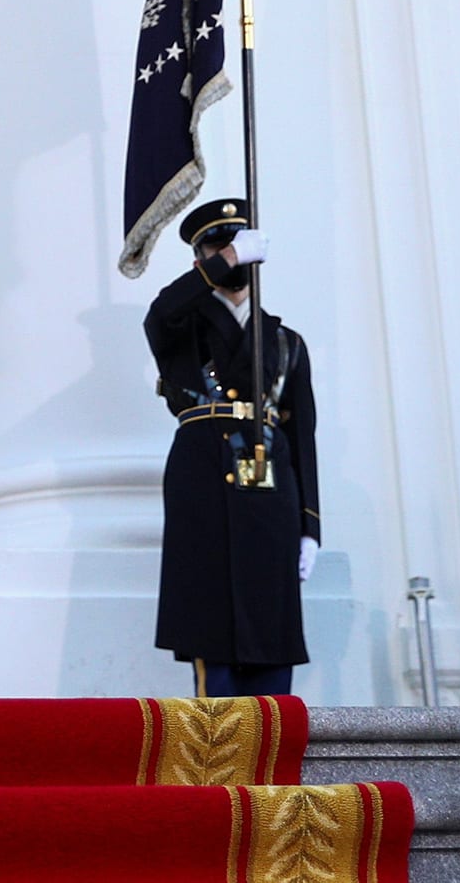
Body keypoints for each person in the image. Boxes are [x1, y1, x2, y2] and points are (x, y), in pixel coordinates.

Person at [143, 198, 319, 698]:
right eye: (219, 249)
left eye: (239, 246)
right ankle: (219, 762)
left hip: (269, 490)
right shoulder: (182, 329)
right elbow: (160, 311)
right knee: (212, 634)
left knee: (272, 634)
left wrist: (311, 528)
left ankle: (272, 763)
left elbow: (301, 435)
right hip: (205, 481)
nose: (232, 256)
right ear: (201, 259)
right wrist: (225, 262)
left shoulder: (285, 341)